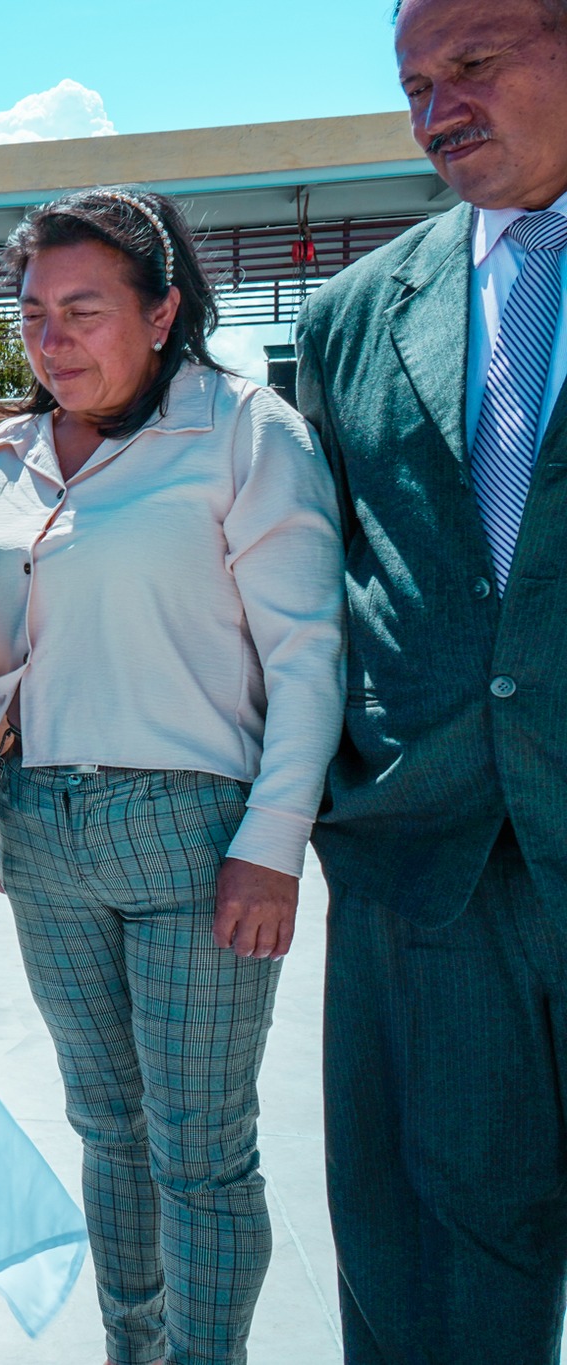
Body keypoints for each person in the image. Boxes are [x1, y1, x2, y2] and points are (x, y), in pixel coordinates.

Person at [0, 186, 343, 1365]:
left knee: (198, 1151)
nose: (52, 339)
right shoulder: (1, 459)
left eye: (83, 311)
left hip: (195, 837)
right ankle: (133, 1349)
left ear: (163, 312)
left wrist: (271, 844)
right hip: (44, 832)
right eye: (34, 315)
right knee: (106, 1131)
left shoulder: (243, 433)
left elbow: (307, 653)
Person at [295, 0, 567, 1357]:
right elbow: (319, 580)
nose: (436, 108)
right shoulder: (352, 316)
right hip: (426, 870)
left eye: (472, 63)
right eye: (413, 85)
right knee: (432, 1276)